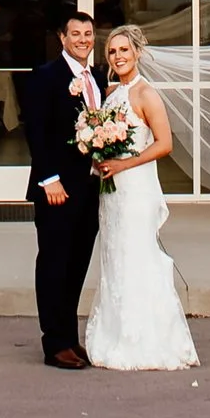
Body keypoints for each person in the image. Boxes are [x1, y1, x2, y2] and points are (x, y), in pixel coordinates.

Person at [81, 23, 199, 372]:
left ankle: (146, 340)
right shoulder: (113, 92)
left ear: (137, 53)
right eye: (112, 52)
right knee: (116, 257)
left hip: (136, 190)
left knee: (138, 256)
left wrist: (125, 163)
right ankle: (116, 334)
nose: (118, 56)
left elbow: (164, 144)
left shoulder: (147, 94)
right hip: (114, 192)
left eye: (124, 50)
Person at [19, 11, 105, 369]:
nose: (83, 39)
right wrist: (48, 178)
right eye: (75, 34)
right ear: (62, 38)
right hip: (57, 188)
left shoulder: (97, 76)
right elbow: (36, 133)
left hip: (89, 187)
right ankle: (54, 343)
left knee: (76, 264)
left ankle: (69, 337)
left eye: (88, 33)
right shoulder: (46, 76)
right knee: (54, 264)